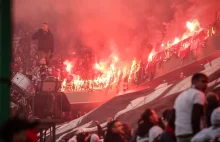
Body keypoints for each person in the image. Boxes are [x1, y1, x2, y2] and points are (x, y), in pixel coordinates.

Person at [174, 73, 208, 142]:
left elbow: (173, 117)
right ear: (195, 82)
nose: (206, 84)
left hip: (179, 134)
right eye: (203, 81)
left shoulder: (180, 96)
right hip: (192, 133)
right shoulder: (198, 94)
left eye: (206, 82)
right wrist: (198, 135)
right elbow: (196, 117)